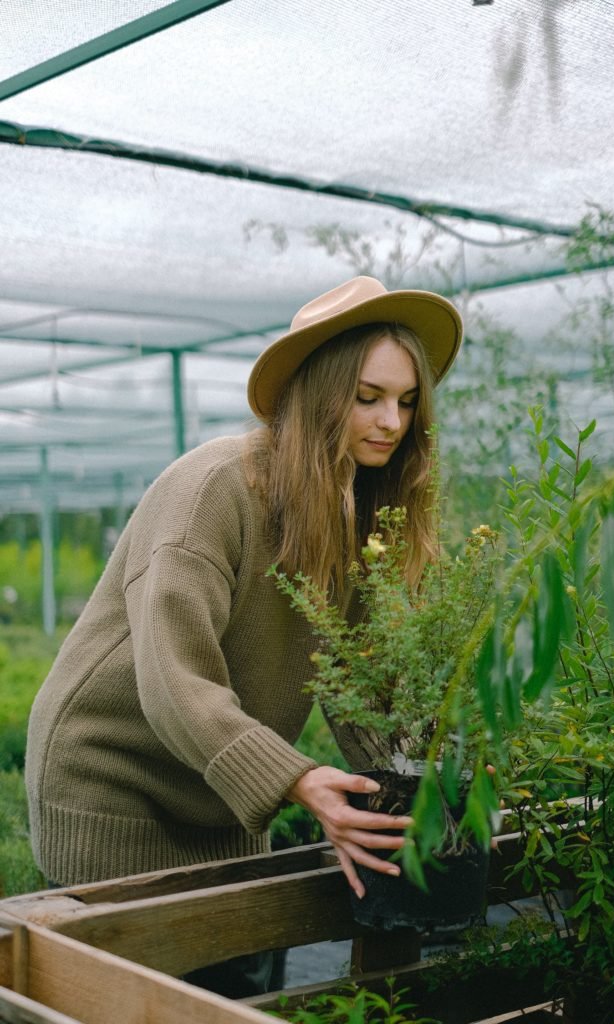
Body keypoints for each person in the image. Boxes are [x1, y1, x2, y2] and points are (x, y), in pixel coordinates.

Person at [25, 274, 463, 995]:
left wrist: (424, 789)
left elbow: (358, 686)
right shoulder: (213, 490)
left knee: (233, 989)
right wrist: (297, 777)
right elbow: (172, 680)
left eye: (407, 402)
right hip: (116, 785)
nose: (391, 421)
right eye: (367, 397)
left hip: (220, 792)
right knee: (140, 998)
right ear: (320, 393)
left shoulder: (358, 514)